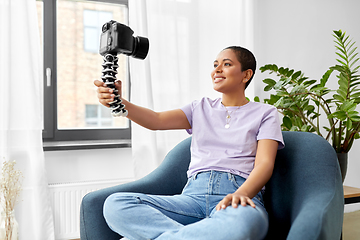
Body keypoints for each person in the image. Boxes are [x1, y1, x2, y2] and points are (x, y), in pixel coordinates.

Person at [94, 46, 284, 240]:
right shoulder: (199, 107)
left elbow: (264, 164)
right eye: (215, 65)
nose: (217, 69)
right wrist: (119, 102)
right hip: (191, 199)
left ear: (246, 75)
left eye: (226, 64)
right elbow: (156, 120)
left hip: (238, 198)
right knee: (116, 204)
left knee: (244, 225)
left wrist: (241, 193)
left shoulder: (265, 113)